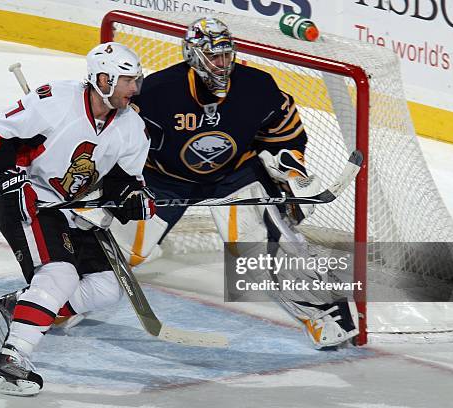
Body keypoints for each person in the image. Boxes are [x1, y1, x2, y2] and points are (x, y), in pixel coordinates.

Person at [109, 17, 359, 349]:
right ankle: (63, 301)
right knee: (123, 251)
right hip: (164, 179)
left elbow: (283, 132)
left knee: (259, 253)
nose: (222, 63)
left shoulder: (257, 86)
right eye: (214, 56)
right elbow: (116, 137)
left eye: (226, 55)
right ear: (193, 55)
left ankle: (323, 313)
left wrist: (290, 169)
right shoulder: (157, 92)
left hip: (234, 177)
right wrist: (109, 181)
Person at [0, 42, 155, 396]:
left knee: (107, 287)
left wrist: (134, 200)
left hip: (73, 208)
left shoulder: (133, 127)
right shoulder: (54, 100)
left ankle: (21, 306)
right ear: (104, 79)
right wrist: (9, 180)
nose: (135, 89)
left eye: (136, 80)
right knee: (60, 273)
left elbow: (125, 181)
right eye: (127, 81)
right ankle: (10, 361)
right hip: (27, 200)